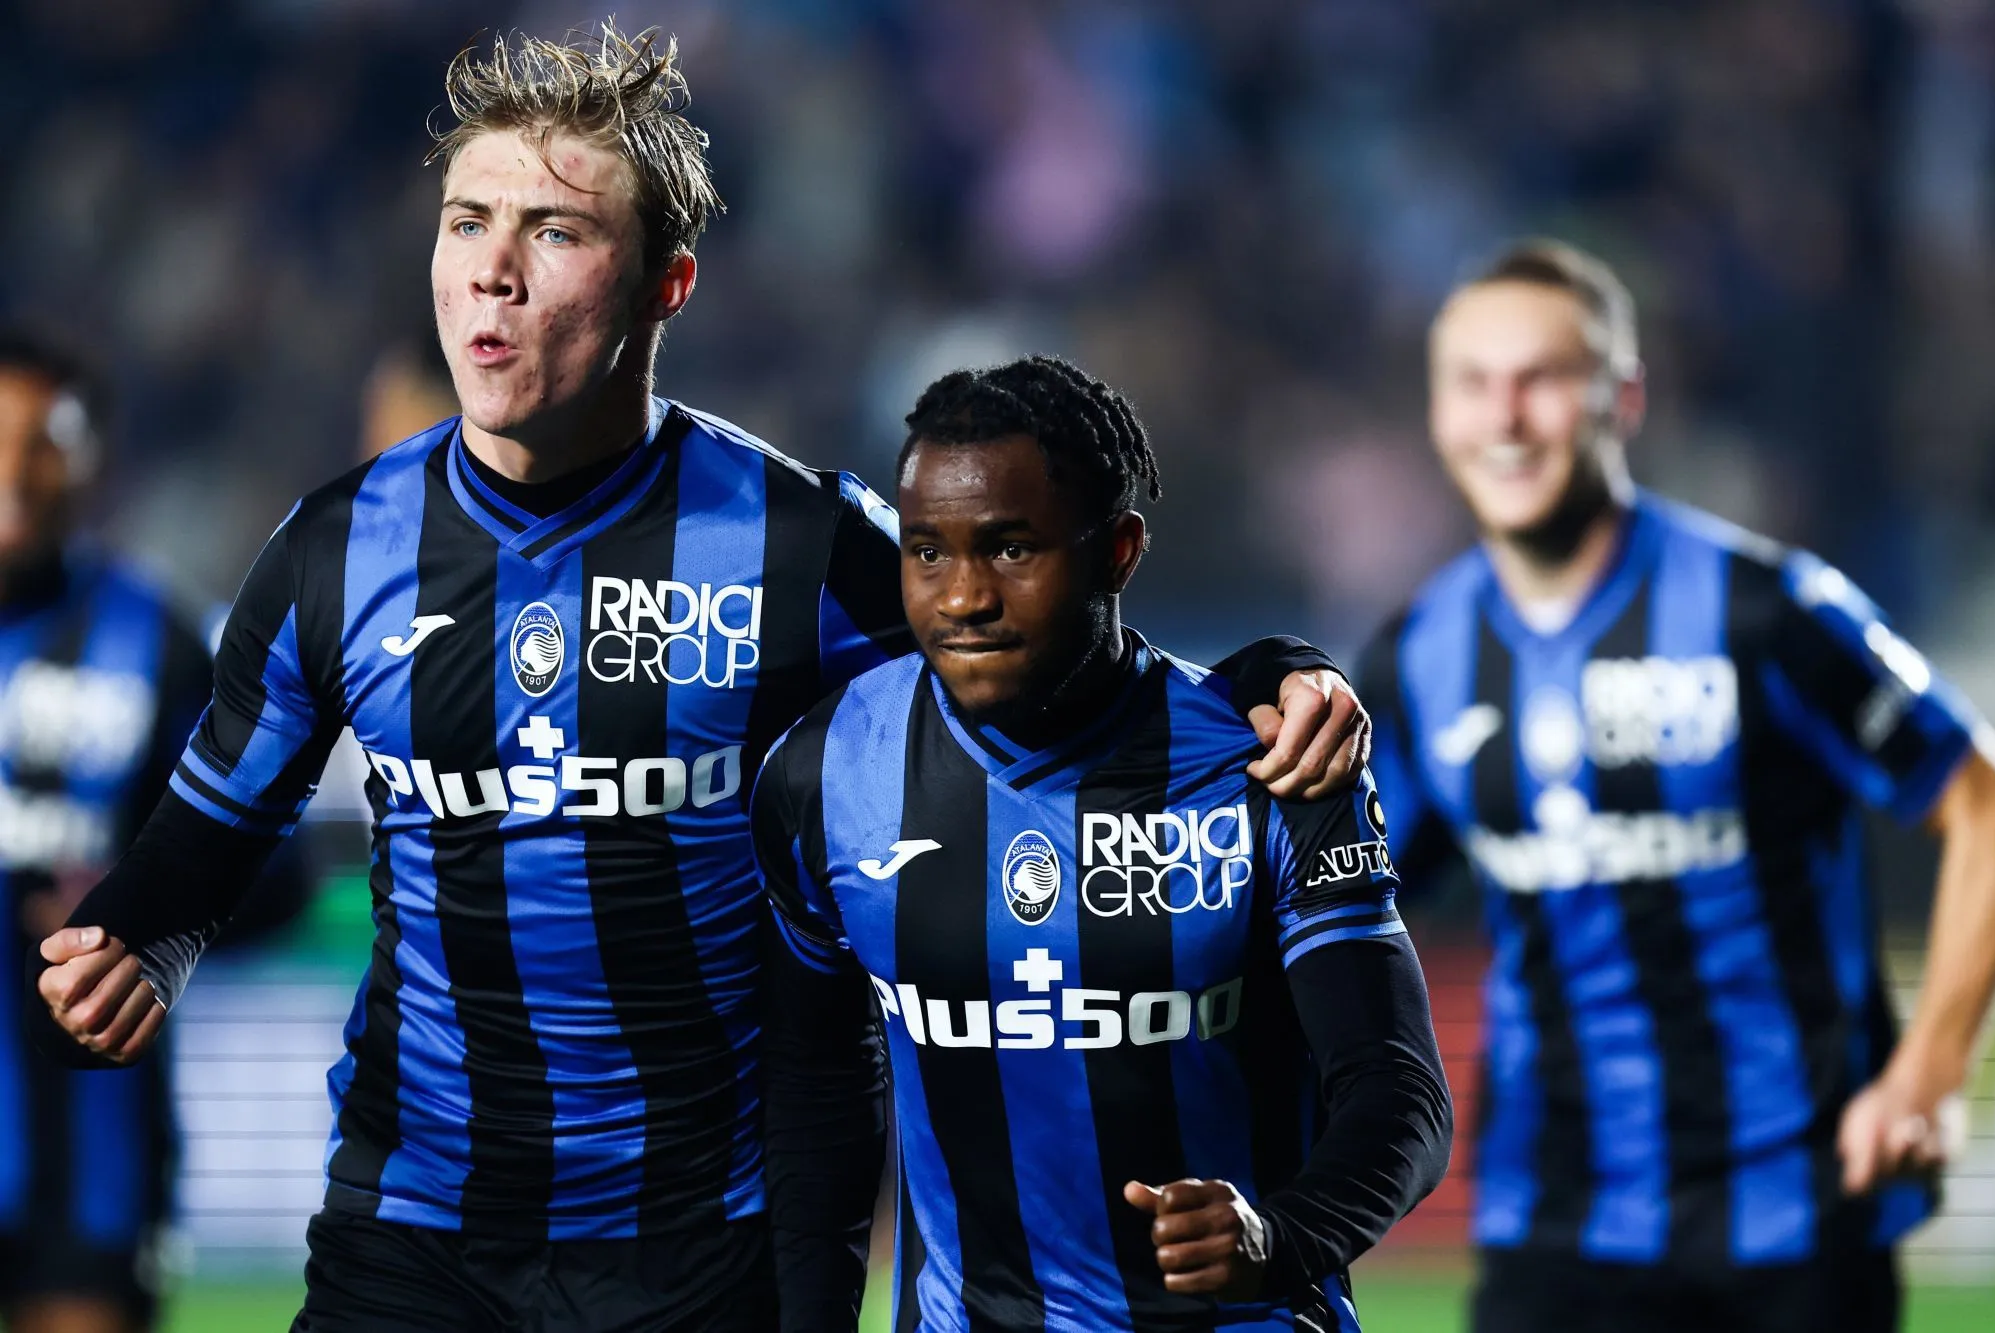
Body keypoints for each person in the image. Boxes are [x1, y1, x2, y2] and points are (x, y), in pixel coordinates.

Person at [30, 25, 1371, 1332]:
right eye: (466, 222)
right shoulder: (333, 550)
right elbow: (214, 826)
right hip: (413, 1227)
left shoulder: (803, 543)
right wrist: (140, 939)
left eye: (554, 232)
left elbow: (1061, 659)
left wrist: (1270, 674)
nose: (492, 271)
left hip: (700, 1246)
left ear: (665, 285)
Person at [1354, 238, 1995, 1333]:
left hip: (1796, 1218)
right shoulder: (1416, 656)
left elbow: (1980, 801)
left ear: (1624, 397)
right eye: (1473, 382)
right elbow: (1337, 901)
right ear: (1436, 411)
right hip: (1552, 1222)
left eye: (1541, 378)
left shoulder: (1769, 612)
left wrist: (1930, 1073)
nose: (1505, 416)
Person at [754, 356, 1453, 1332]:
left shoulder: (1272, 763)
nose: (963, 597)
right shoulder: (824, 773)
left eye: (1011, 548)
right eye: (927, 552)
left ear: (1118, 551)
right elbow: (817, 1093)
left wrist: (1280, 1239)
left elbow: (1397, 1091)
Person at [0, 329, 308, 1332]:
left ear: (94, 463)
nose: (15, 472)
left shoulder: (156, 640)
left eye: (45, 443)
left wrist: (137, 914)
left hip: (92, 1165)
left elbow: (274, 870)